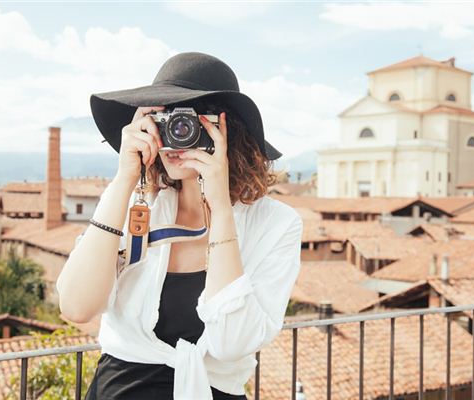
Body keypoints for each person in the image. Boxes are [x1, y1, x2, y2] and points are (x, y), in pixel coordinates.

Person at [56, 52, 303, 400]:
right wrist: (125, 178)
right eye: (163, 119)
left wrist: (219, 206)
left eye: (189, 122)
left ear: (226, 131)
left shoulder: (276, 224)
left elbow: (232, 343)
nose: (176, 134)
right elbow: (77, 307)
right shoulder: (135, 205)